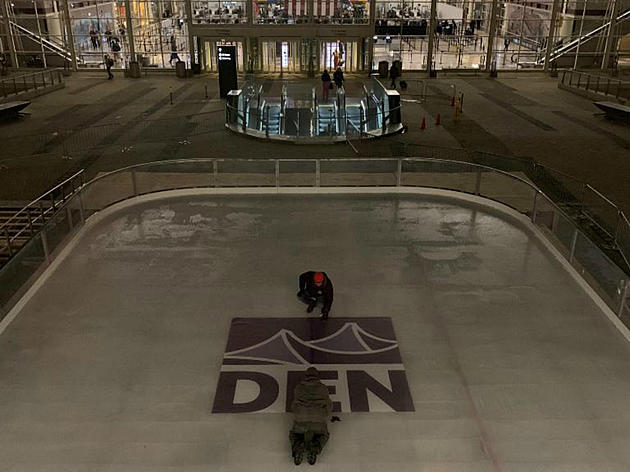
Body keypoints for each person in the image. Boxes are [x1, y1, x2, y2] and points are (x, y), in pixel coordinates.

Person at [289, 367, 333, 465]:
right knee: (323, 435)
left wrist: (299, 413)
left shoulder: (298, 387)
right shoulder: (323, 388)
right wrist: (324, 414)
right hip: (318, 420)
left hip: (300, 418)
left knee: (295, 434)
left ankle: (298, 446)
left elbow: (294, 405)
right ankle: (315, 447)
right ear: (317, 376)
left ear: (306, 376)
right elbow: (329, 405)